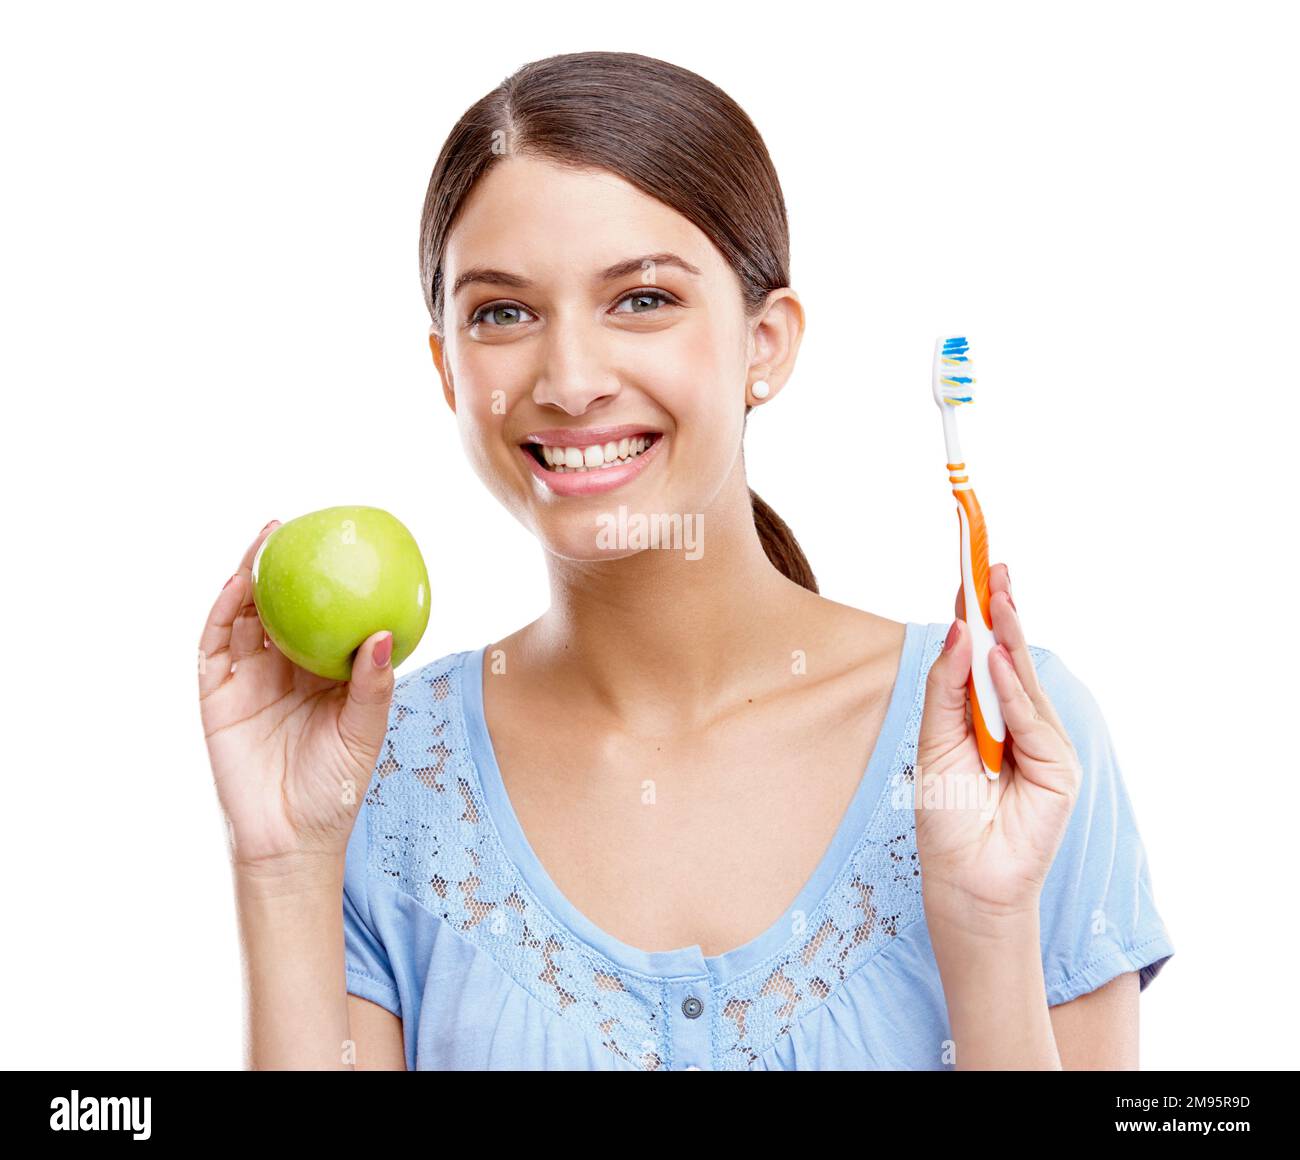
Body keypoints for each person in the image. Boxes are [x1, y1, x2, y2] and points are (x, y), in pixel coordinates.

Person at [198, 50, 1173, 1071]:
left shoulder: (1000, 736)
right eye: (502, 312)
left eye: (642, 299)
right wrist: (286, 862)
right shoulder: (377, 777)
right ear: (447, 366)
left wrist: (983, 929)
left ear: (768, 341)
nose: (570, 380)